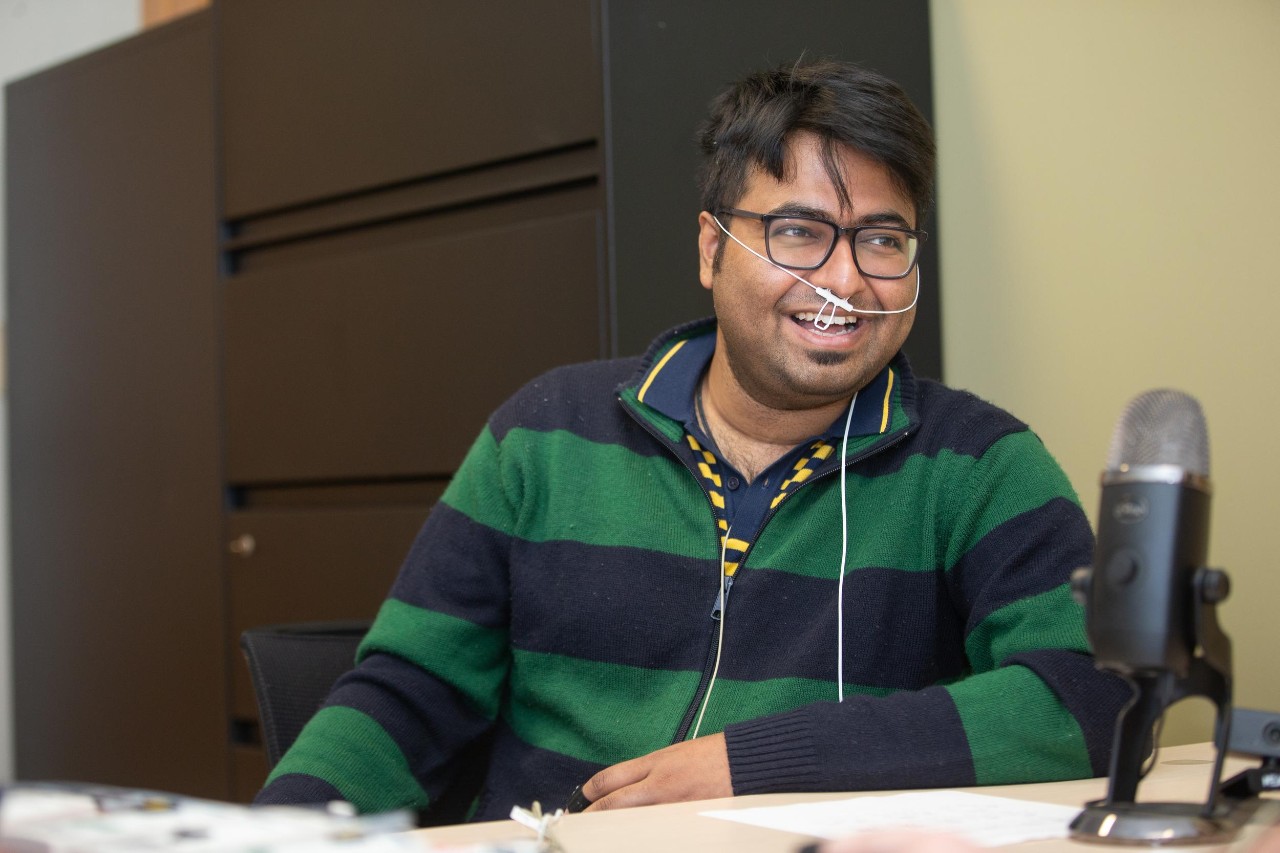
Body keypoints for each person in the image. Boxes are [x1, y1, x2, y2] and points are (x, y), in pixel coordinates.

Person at [255, 58, 1131, 822]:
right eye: (797, 231)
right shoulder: (546, 433)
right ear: (711, 249)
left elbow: (1091, 697)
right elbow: (408, 695)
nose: (844, 278)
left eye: (882, 239)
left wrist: (749, 763)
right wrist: (271, 833)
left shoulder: (979, 463)